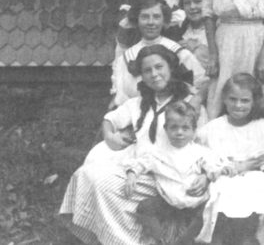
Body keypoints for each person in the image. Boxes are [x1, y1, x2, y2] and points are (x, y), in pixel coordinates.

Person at [59, 45, 208, 245]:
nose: (154, 74)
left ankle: (125, 240)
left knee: (104, 184)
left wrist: (205, 176)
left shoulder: (188, 104)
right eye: (147, 70)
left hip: (172, 176)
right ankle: (107, 236)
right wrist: (109, 135)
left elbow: (207, 147)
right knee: (85, 173)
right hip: (140, 168)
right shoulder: (139, 103)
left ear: (171, 68)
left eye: (159, 67)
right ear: (142, 76)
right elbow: (111, 118)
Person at [124, 101, 225, 245]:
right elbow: (140, 163)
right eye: (174, 127)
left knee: (209, 214)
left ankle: (188, 240)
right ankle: (159, 238)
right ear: (165, 129)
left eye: (185, 128)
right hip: (168, 203)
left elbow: (212, 166)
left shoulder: (198, 152)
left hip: (196, 203)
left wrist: (208, 176)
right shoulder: (158, 153)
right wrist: (132, 174)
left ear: (194, 130)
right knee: (144, 208)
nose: (179, 132)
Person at [197, 73, 264, 245]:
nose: (238, 105)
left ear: (254, 101)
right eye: (233, 99)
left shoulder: (262, 126)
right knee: (221, 196)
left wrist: (248, 167)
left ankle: (251, 238)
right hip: (222, 178)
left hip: (253, 180)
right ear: (224, 99)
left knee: (256, 197)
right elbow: (201, 156)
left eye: (244, 101)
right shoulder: (213, 127)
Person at [110, 0, 206, 109]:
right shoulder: (125, 58)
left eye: (156, 17)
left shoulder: (179, 52)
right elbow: (120, 96)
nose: (151, 22)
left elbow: (202, 83)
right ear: (137, 20)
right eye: (145, 17)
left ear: (164, 20)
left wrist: (194, 101)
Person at [173, 0, 209, 73]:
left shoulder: (217, 31)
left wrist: (198, 48)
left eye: (197, 1)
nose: (192, 6)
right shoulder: (178, 32)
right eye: (187, 3)